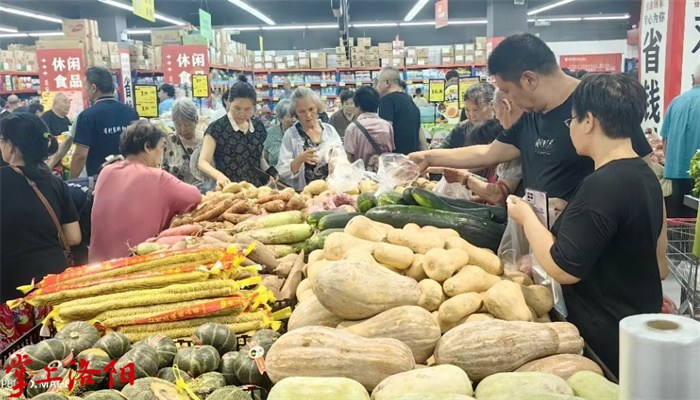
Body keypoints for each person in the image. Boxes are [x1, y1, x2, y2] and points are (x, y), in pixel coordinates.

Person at [507, 73, 668, 375]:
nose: (570, 129)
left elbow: (563, 268)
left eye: (572, 121)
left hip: (604, 335)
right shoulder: (646, 176)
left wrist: (526, 217)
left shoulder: (601, 185)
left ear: (589, 121)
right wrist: (571, 214)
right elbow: (660, 266)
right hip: (638, 326)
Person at [409, 33, 652, 210]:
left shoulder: (599, 101)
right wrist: (428, 157)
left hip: (589, 248)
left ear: (529, 80)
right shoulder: (532, 115)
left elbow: (644, 180)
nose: (508, 100)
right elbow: (488, 153)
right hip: (543, 244)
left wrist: (656, 251)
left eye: (507, 91)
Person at [90, 120, 201, 262]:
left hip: (95, 264)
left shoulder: (106, 171)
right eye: (161, 148)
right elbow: (195, 196)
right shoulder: (157, 177)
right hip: (133, 264)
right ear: (148, 147)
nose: (161, 154)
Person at [0, 113, 81, 303]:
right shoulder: (56, 182)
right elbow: (73, 237)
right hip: (52, 282)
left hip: (9, 285)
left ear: (11, 145)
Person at [199, 75, 269, 188]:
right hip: (229, 190)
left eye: (247, 109)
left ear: (254, 107)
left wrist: (269, 172)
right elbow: (202, 162)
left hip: (255, 190)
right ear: (228, 102)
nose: (242, 113)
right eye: (237, 108)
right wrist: (219, 176)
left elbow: (259, 157)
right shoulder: (217, 128)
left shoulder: (258, 127)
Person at [71, 67, 140, 178]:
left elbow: (80, 156)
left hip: (101, 180)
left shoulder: (87, 116)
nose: (85, 91)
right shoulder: (132, 112)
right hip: (130, 177)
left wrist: (72, 182)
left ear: (93, 88)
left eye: (86, 86)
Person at [276, 87, 346, 190]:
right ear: (295, 113)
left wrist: (336, 160)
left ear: (317, 107)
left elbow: (344, 162)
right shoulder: (291, 135)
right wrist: (299, 159)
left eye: (311, 109)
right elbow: (282, 171)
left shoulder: (329, 130)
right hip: (304, 194)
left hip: (331, 192)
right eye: (302, 111)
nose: (308, 115)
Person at [660, 63, 700, 218]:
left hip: (676, 174)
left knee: (678, 223)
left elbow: (665, 140)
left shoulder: (676, 102)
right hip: (698, 177)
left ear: (692, 79)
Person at [376, 66, 425, 154]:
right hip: (411, 158)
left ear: (387, 82)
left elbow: (384, 135)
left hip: (394, 158)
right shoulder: (410, 101)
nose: (377, 87)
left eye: (378, 82)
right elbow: (422, 141)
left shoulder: (387, 100)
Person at [344, 85, 395, 169]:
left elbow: (349, 159)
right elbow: (390, 154)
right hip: (383, 174)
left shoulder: (353, 128)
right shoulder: (387, 126)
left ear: (358, 106)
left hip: (361, 175)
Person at [443, 82, 496, 149]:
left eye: (476, 110)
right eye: (467, 110)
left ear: (491, 105)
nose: (472, 115)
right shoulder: (460, 129)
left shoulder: (502, 127)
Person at [162, 98, 201, 184]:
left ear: (196, 120)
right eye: (178, 124)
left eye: (187, 124)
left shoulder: (206, 141)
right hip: (174, 190)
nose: (183, 129)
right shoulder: (168, 142)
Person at [264, 99, 294, 170]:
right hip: (274, 175)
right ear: (280, 118)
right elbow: (264, 157)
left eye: (296, 116)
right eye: (290, 116)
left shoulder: (300, 132)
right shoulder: (271, 132)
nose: (294, 119)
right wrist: (270, 173)